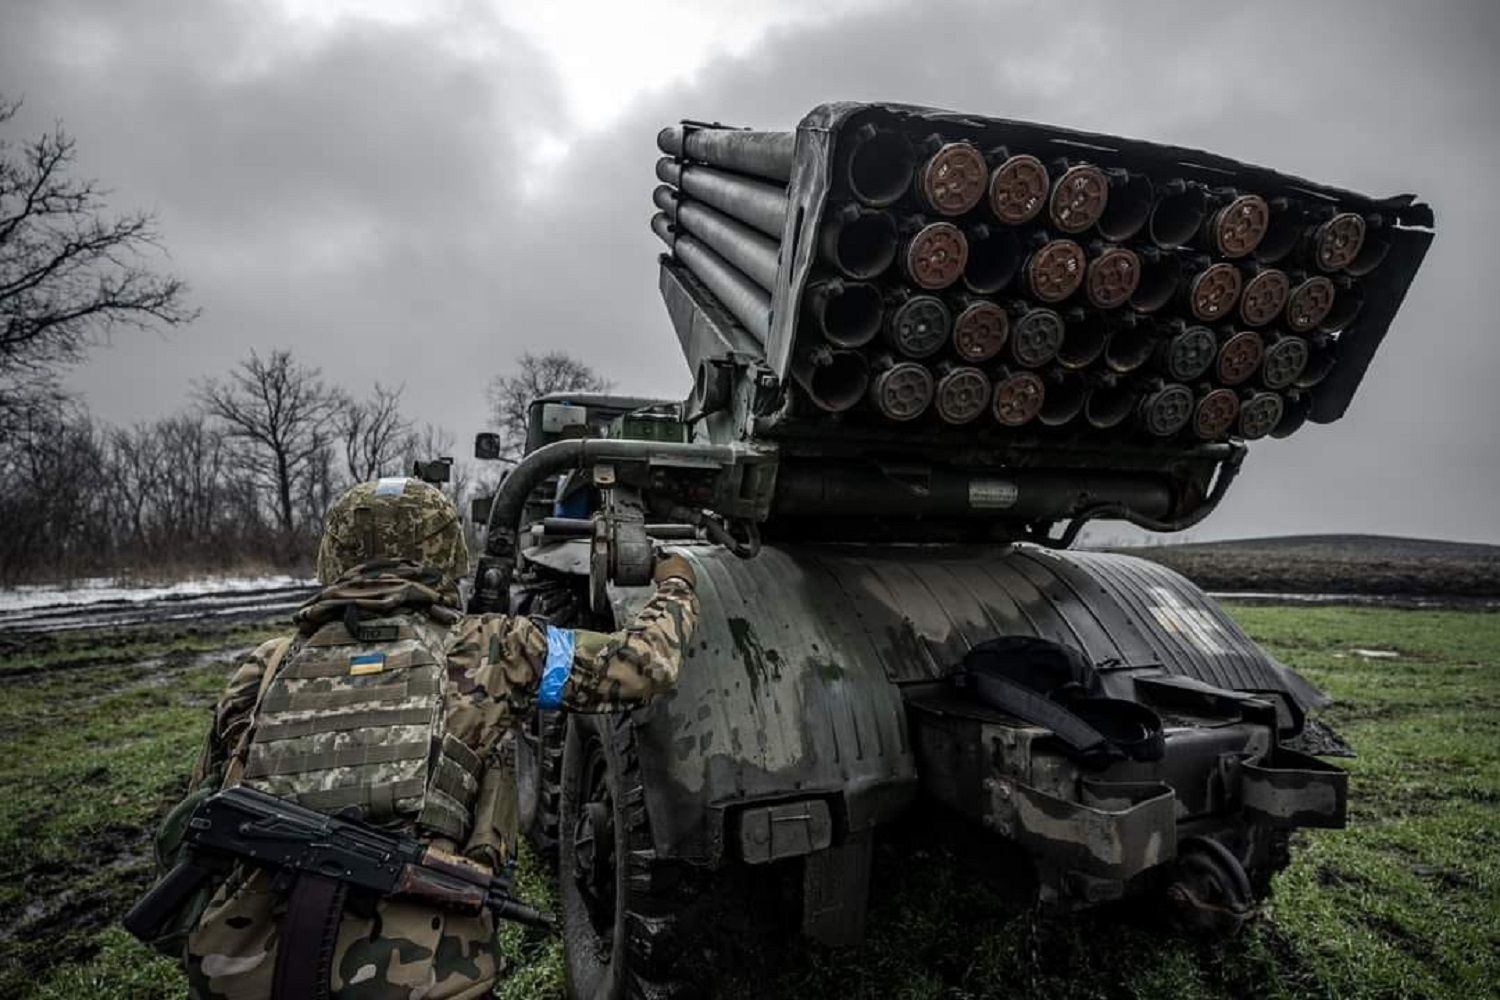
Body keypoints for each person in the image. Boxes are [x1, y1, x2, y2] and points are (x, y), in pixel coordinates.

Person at [165, 476, 699, 1000]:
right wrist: (675, 581)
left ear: (334, 556)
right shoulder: (492, 651)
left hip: (240, 970)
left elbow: (190, 827)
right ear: (446, 554)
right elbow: (644, 664)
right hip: (425, 977)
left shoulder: (264, 666)